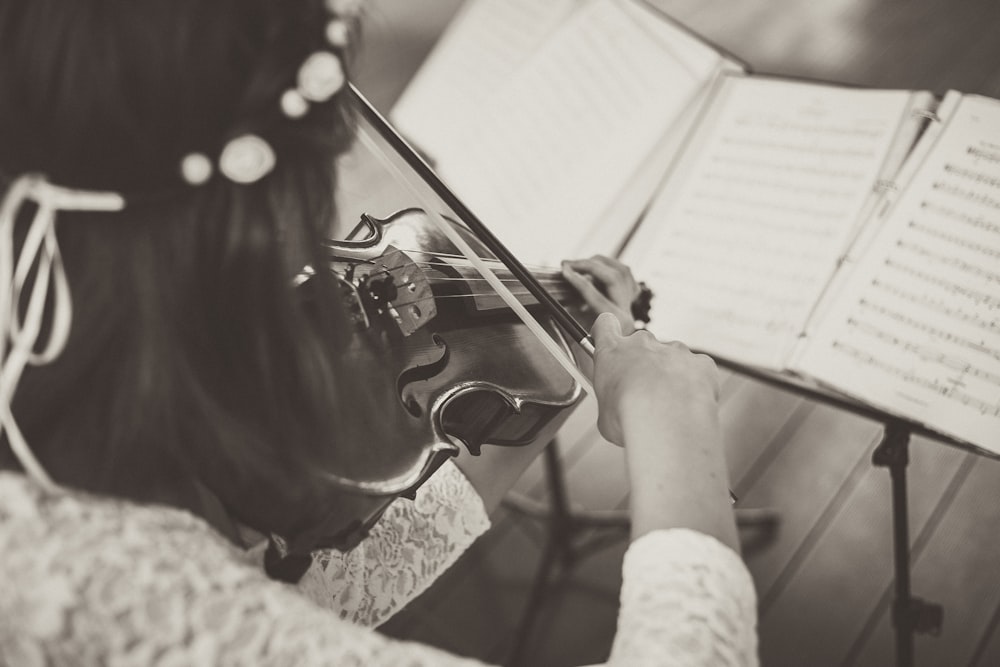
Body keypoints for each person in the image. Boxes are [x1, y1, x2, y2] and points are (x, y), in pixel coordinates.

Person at [0, 0, 758, 665]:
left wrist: (509, 421)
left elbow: (281, 604)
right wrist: (675, 422)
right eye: (308, 193)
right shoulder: (104, 582)